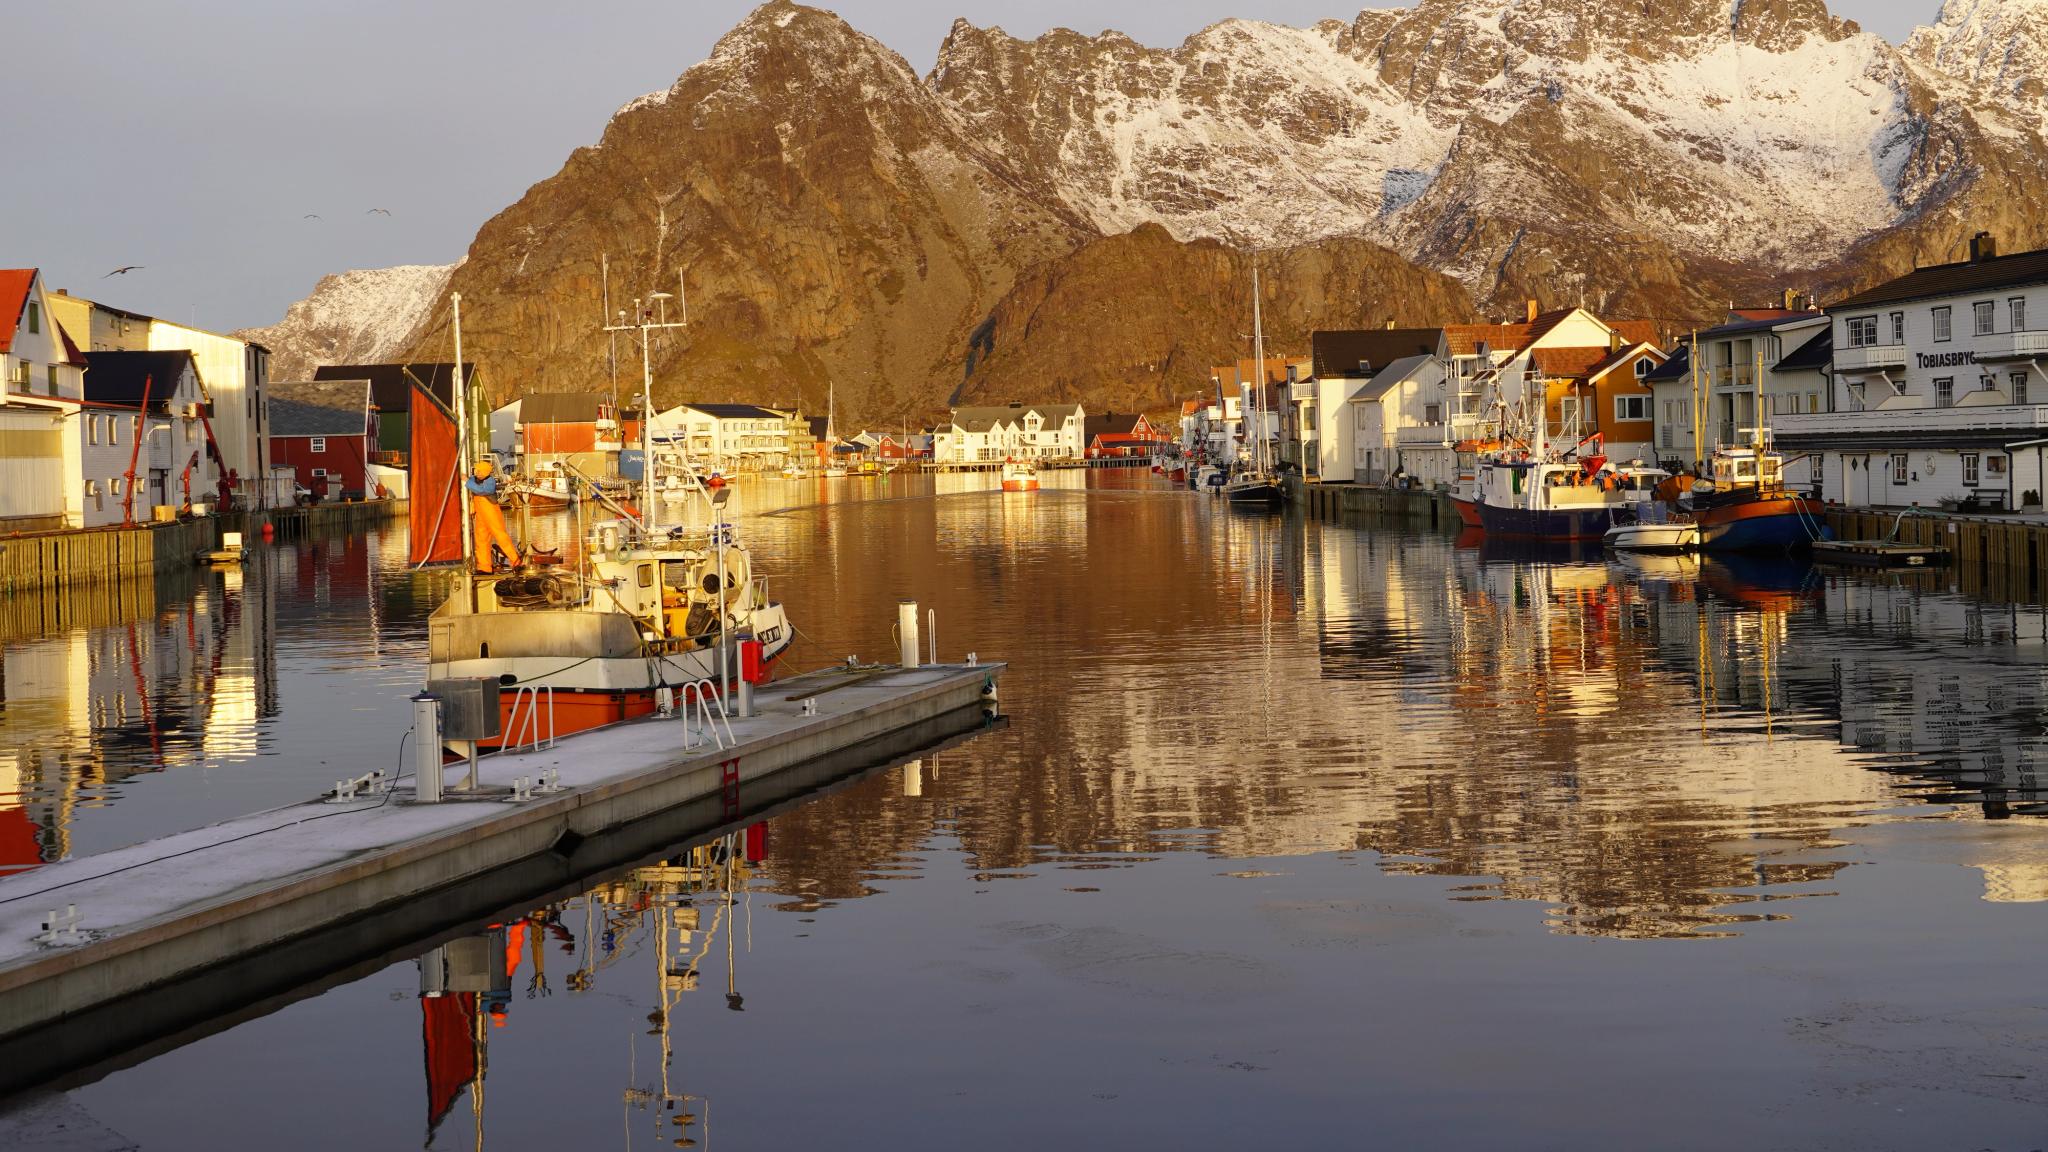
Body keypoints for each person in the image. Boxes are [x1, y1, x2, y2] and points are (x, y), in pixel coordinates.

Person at [466, 458, 522, 574]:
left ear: (486, 472)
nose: (477, 473)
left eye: (480, 471)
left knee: (501, 536)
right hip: (481, 514)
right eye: (476, 470)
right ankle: (484, 567)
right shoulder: (473, 479)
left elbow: (482, 491)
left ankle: (516, 562)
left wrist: (467, 481)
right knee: (481, 540)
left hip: (491, 513)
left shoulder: (490, 481)